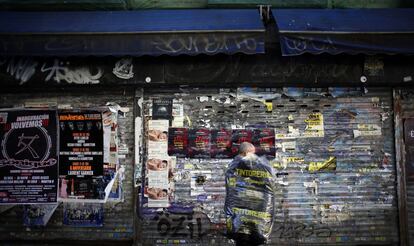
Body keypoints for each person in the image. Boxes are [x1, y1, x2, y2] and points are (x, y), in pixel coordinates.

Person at [225, 142, 275, 246]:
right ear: (245, 153)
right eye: (252, 153)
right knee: (251, 239)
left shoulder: (233, 166)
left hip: (241, 214)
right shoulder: (252, 165)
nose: (254, 156)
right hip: (254, 215)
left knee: (242, 238)